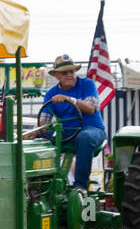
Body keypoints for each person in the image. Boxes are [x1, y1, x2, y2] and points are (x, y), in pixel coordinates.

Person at [35, 54, 106, 190]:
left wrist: (70, 99)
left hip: (92, 129)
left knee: (85, 137)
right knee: (37, 141)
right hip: (67, 133)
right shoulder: (51, 94)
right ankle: (42, 184)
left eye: (72, 71)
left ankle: (80, 186)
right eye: (64, 72)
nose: (69, 75)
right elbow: (44, 123)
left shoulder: (87, 84)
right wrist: (33, 133)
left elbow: (91, 108)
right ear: (57, 75)